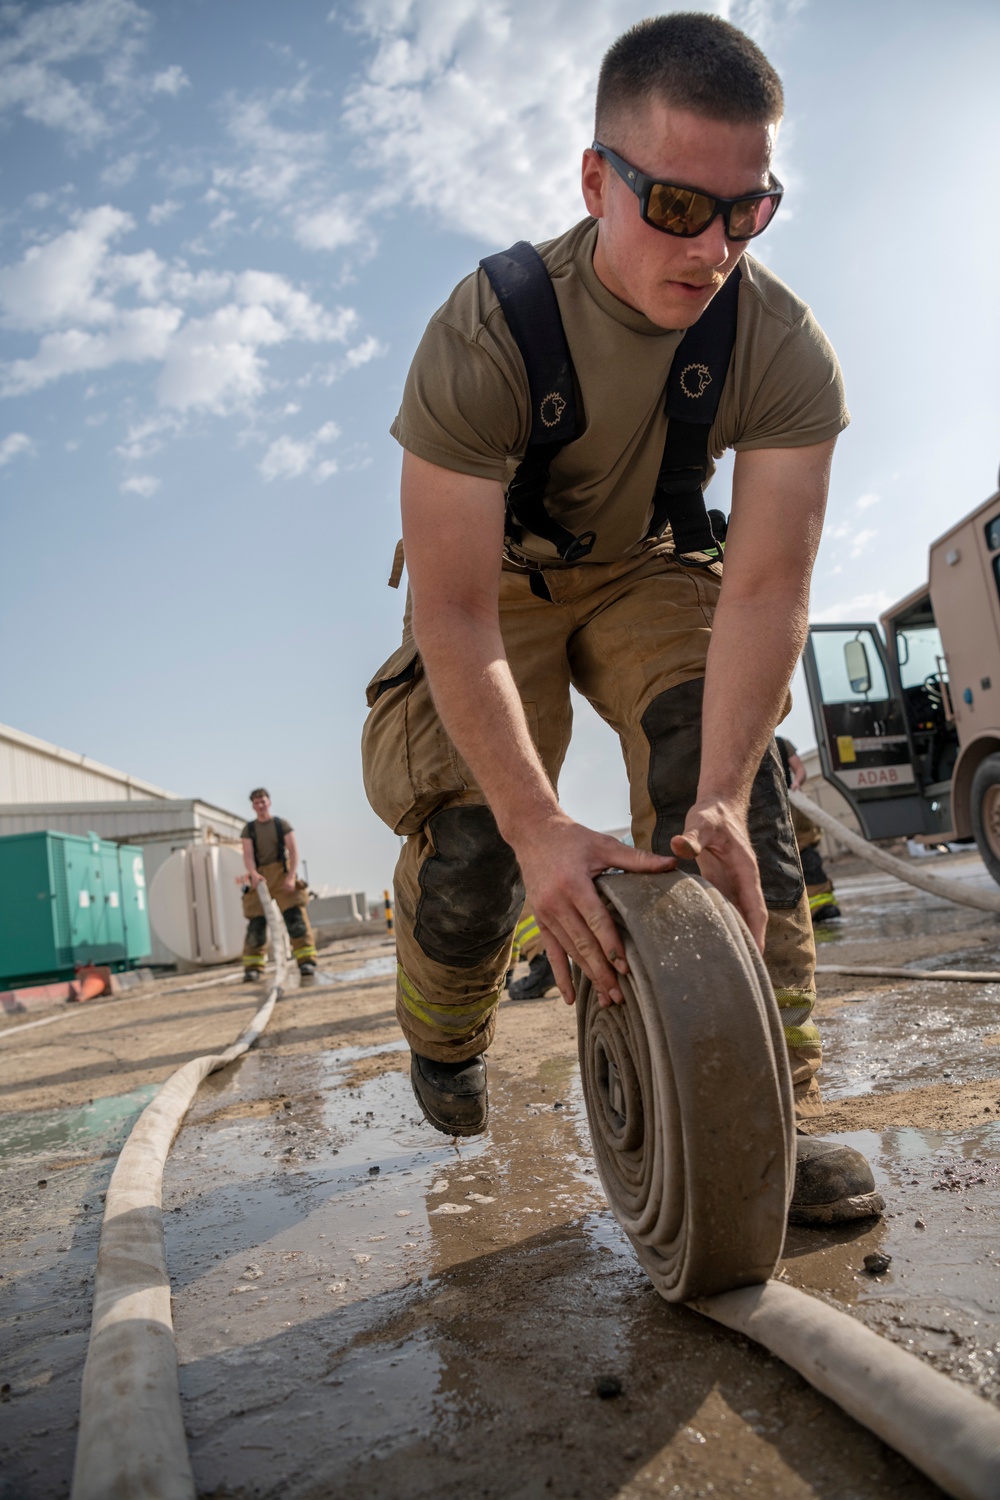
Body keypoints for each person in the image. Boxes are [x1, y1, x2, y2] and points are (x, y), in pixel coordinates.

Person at [362, 13, 882, 1225]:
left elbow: (762, 589)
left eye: (745, 209)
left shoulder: (783, 347)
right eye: (677, 207)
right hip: (500, 585)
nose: (713, 248)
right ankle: (442, 1031)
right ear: (597, 180)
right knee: (483, 846)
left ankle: (770, 1110)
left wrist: (715, 790)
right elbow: (448, 604)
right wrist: (543, 824)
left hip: (647, 568)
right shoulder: (484, 333)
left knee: (730, 787)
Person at [240, 788, 318, 980]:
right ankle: (253, 967)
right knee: (256, 924)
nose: (260, 805)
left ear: (269, 802)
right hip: (260, 878)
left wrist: (291, 877)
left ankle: (306, 961)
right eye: (257, 803)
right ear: (252, 805)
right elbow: (248, 855)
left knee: (295, 919)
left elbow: (293, 851)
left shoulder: (281, 824)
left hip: (282, 875)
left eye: (263, 801)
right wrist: (253, 874)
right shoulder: (249, 829)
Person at [776, 737, 842, 922]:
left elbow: (799, 769)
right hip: (763, 820)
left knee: (807, 860)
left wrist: (796, 783)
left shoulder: (780, 744)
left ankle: (822, 909)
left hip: (792, 813)